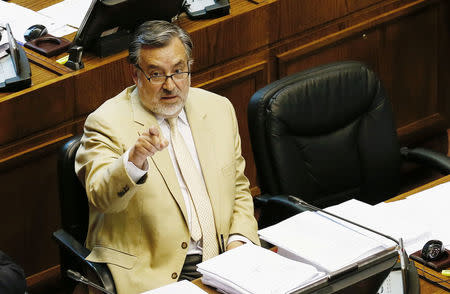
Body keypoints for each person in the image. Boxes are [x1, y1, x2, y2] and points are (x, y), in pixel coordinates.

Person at [75, 20, 260, 293]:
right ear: (135, 75)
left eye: (178, 71)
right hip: (155, 273)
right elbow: (100, 196)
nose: (171, 86)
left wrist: (239, 242)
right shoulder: (106, 122)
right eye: (157, 75)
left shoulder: (219, 109)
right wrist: (133, 160)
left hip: (224, 259)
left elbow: (239, 188)